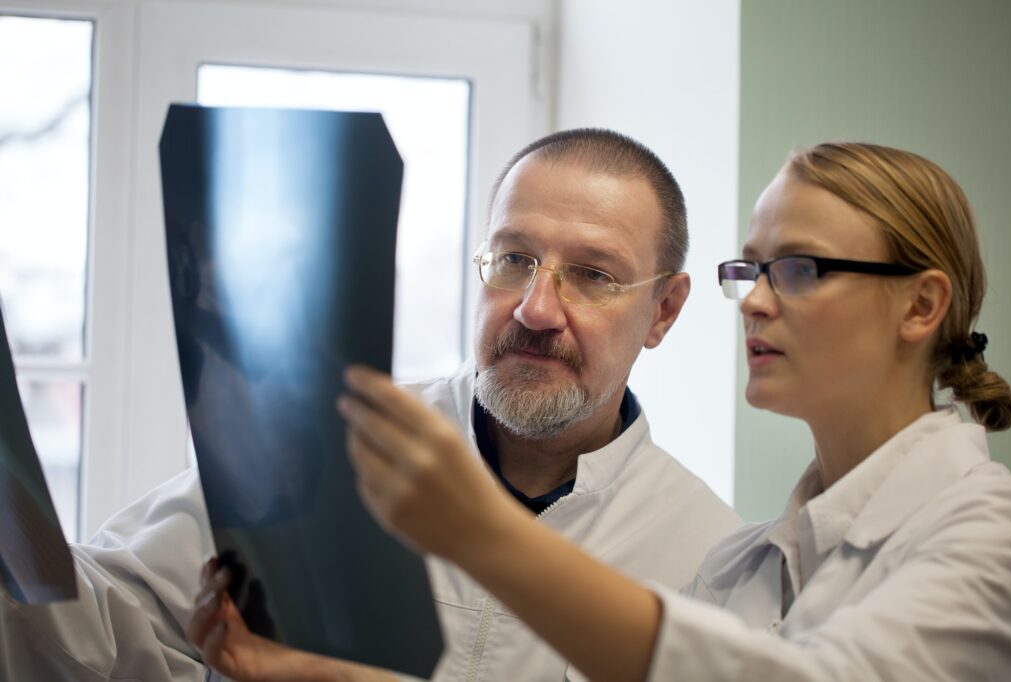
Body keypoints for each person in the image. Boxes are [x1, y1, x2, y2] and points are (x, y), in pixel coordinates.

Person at [190, 141, 1011, 681]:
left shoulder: (995, 541)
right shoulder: (742, 567)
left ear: (921, 307)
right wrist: (311, 674)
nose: (754, 305)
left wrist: (479, 530)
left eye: (799, 270)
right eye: (753, 269)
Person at [0, 128, 740, 681]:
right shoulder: (330, 447)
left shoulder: (713, 562)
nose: (536, 308)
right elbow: (92, 624)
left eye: (593, 275)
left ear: (666, 310)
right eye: (513, 259)